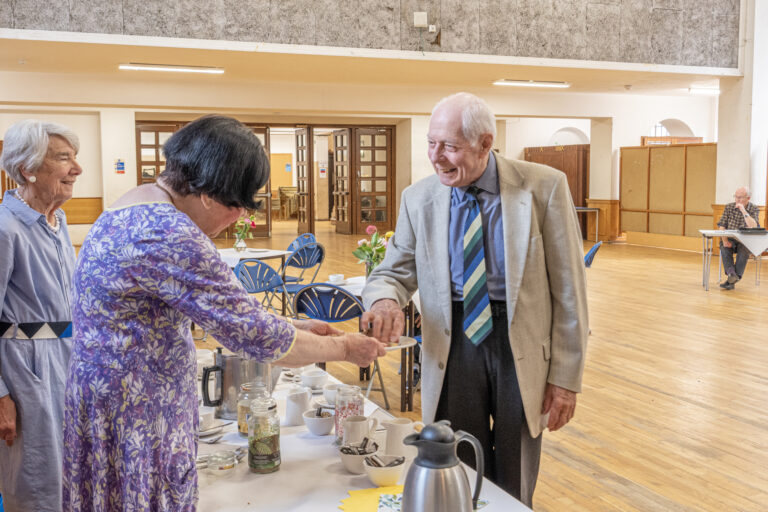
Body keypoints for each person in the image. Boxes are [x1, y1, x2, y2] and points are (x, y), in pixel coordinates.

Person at [61, 115, 386, 511]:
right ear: (208, 194)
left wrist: (291, 324)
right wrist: (346, 348)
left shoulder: (132, 205)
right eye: (238, 205)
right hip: (138, 410)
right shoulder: (169, 233)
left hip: (103, 398)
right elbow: (254, 336)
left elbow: (224, 312)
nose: (240, 218)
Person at [361, 93, 588, 506]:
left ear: (485, 144)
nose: (436, 157)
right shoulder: (418, 198)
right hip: (453, 341)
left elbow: (570, 292)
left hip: (519, 342)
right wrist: (384, 302)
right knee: (455, 463)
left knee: (516, 469)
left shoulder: (544, 187)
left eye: (449, 146)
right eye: (431, 143)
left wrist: (566, 379)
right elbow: (393, 272)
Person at [0, 120, 83, 512]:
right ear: (27, 169)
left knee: (72, 472)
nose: (77, 169)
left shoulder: (56, 221)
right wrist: (0, 395)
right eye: (63, 158)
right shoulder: (5, 229)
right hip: (27, 368)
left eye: (74, 158)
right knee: (36, 480)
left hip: (67, 360)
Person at [717, 187, 759, 290]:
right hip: (730, 238)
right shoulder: (729, 207)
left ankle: (731, 278)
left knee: (744, 249)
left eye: (740, 197)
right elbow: (722, 226)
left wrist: (743, 210)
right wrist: (725, 240)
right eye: (736, 197)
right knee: (724, 247)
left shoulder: (753, 208)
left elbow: (753, 226)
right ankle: (732, 274)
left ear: (748, 198)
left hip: (745, 240)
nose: (737, 200)